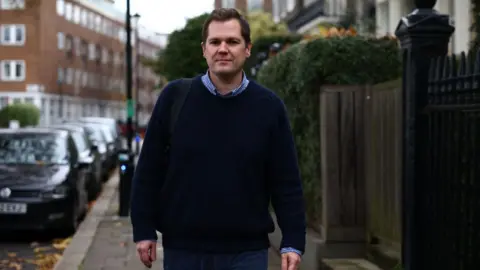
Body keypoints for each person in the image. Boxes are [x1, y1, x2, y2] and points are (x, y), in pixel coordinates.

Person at [130, 8, 306, 270]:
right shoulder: (175, 98)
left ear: (247, 49)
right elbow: (148, 170)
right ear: (204, 49)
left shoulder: (269, 107)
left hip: (247, 252)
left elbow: (286, 180)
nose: (223, 49)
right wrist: (144, 229)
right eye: (215, 42)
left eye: (232, 42)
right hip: (183, 251)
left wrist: (292, 240)